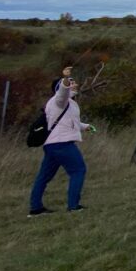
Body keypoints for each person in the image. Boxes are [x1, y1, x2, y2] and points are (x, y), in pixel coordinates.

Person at [29, 67, 92, 216]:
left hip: (52, 145)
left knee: (43, 177)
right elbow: (62, 92)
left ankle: (35, 208)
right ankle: (73, 206)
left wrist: (86, 127)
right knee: (78, 170)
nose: (74, 83)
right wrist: (65, 79)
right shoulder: (60, 100)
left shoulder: (67, 103)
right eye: (72, 82)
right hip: (62, 144)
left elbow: (68, 122)